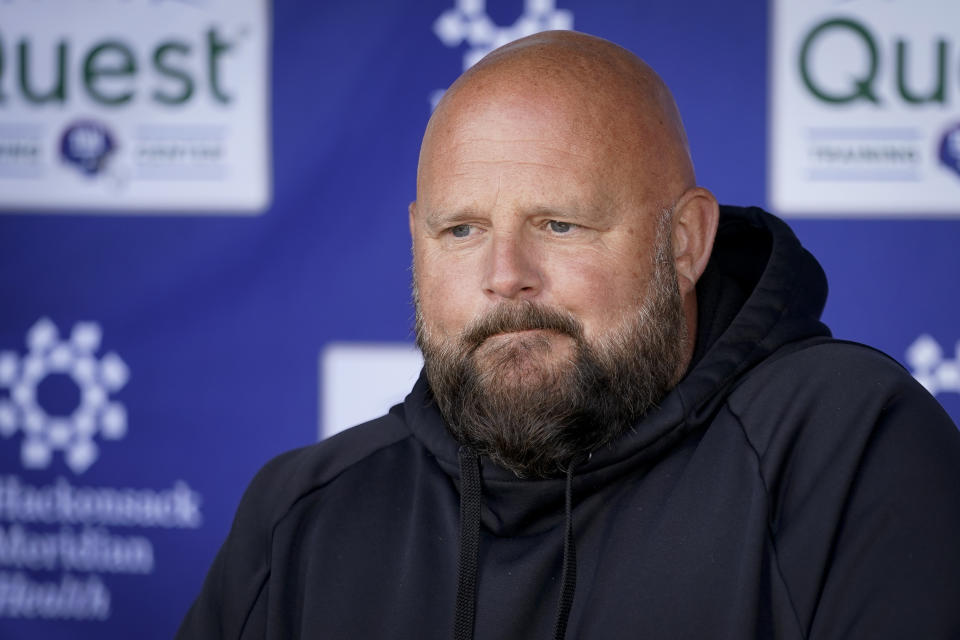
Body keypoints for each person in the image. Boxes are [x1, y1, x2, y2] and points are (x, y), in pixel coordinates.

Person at [177, 31, 960, 639]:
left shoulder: (846, 447)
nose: (505, 274)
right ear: (416, 242)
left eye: (559, 223)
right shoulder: (303, 513)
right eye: (461, 230)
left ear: (685, 242)